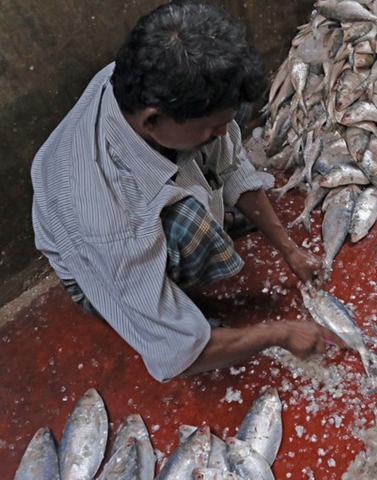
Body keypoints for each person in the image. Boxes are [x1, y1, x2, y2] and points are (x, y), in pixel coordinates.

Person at [31, 0, 342, 382]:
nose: (221, 133)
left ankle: (206, 204)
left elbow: (230, 161)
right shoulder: (107, 216)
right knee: (195, 231)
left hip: (139, 196)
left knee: (215, 155)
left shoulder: (149, 83)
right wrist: (278, 333)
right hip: (95, 270)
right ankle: (181, 303)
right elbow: (179, 356)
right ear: (152, 120)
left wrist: (289, 250)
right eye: (211, 127)